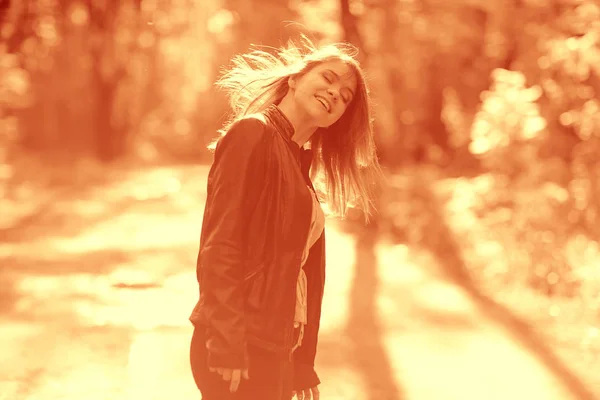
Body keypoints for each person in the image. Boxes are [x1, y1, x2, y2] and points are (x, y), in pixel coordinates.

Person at [188, 35, 383, 400]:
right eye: (328, 78)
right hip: (241, 344)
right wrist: (228, 342)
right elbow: (221, 245)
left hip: (275, 346)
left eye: (344, 97)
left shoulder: (296, 161)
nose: (334, 94)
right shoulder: (253, 133)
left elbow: (301, 272)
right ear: (295, 78)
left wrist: (301, 361)